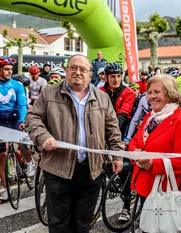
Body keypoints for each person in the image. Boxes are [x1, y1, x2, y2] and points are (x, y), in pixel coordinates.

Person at [25, 54, 125, 233]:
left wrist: (117, 154)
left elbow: (112, 130)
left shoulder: (102, 98)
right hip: (58, 168)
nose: (77, 72)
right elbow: (33, 119)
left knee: (83, 222)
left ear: (90, 74)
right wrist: (43, 136)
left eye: (83, 69)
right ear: (66, 70)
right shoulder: (49, 93)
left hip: (91, 170)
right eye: (73, 68)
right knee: (59, 223)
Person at [128, 73, 181, 211]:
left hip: (164, 191)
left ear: (170, 94)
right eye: (150, 92)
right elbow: (136, 140)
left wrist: (154, 163)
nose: (151, 96)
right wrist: (134, 152)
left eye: (157, 92)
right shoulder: (150, 117)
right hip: (144, 186)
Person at [0, 56, 29, 200]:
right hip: (0, 120)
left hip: (15, 117)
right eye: (6, 69)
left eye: (11, 69)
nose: (9, 72)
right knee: (2, 155)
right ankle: (5, 188)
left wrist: (23, 120)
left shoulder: (17, 85)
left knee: (23, 144)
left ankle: (29, 162)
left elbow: (22, 104)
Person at [100, 62, 135, 136]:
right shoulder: (100, 91)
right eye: (113, 76)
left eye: (119, 76)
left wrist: (111, 132)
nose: (116, 80)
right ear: (106, 77)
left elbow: (123, 114)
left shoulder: (129, 92)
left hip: (120, 128)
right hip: (102, 126)